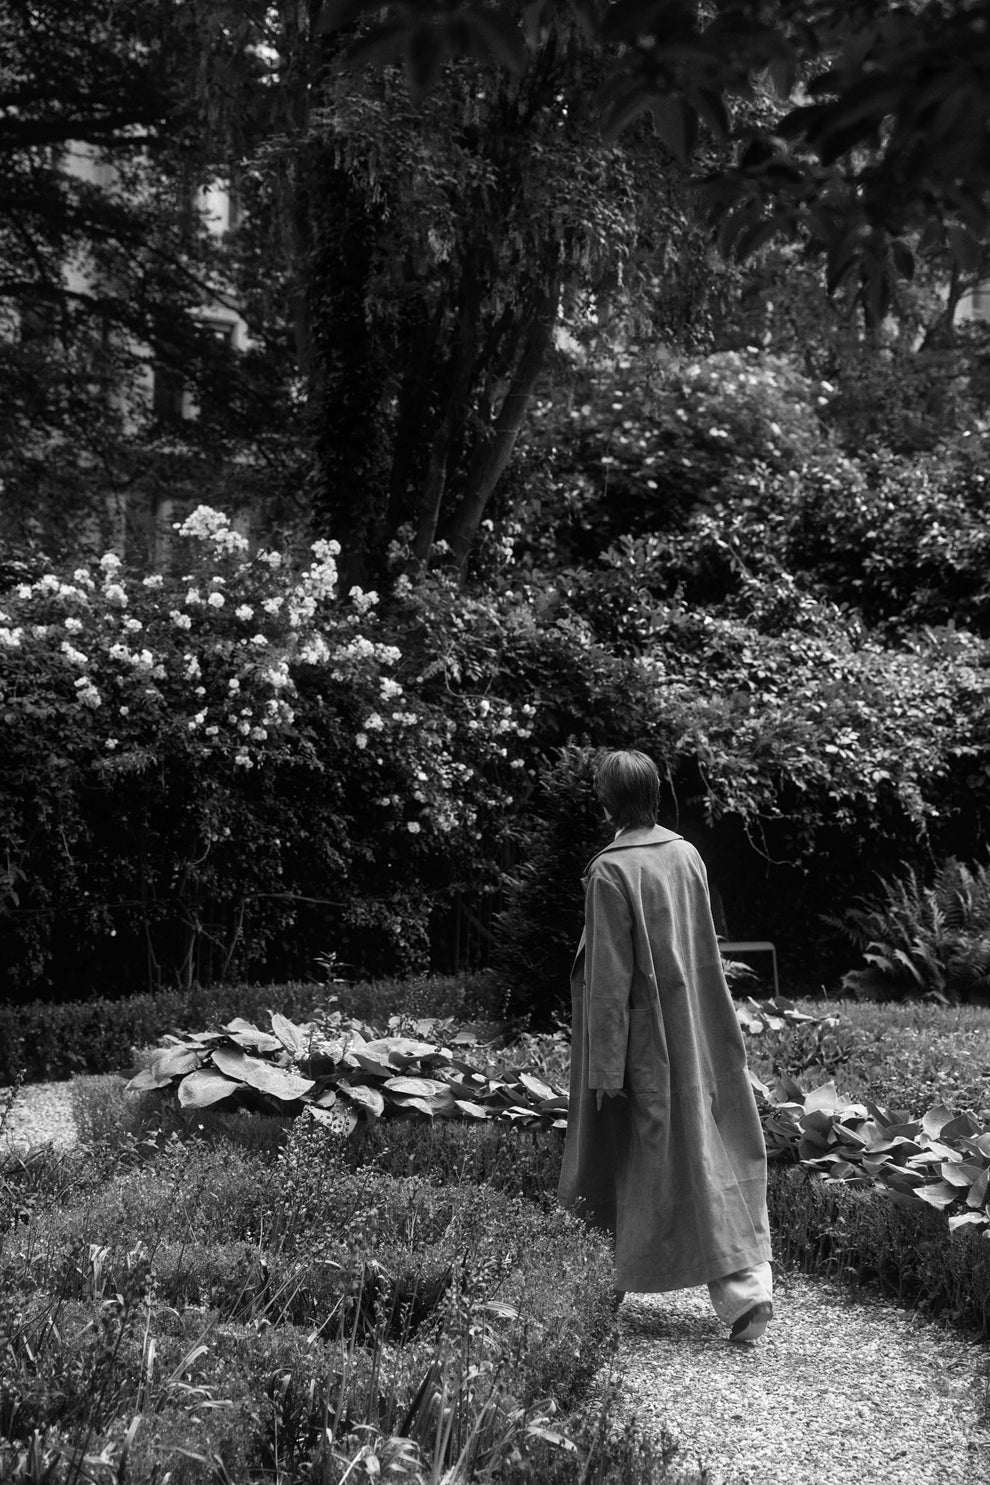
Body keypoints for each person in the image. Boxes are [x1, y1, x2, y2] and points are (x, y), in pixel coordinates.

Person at [558, 749, 773, 1342]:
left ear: (606, 801)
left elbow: (608, 980)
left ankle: (591, 1290)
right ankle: (746, 1295)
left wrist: (603, 1070)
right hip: (697, 1029)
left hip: (639, 1044)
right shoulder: (686, 854)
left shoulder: (609, 870)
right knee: (708, 1147)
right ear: (654, 794)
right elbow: (704, 948)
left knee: (615, 1162)